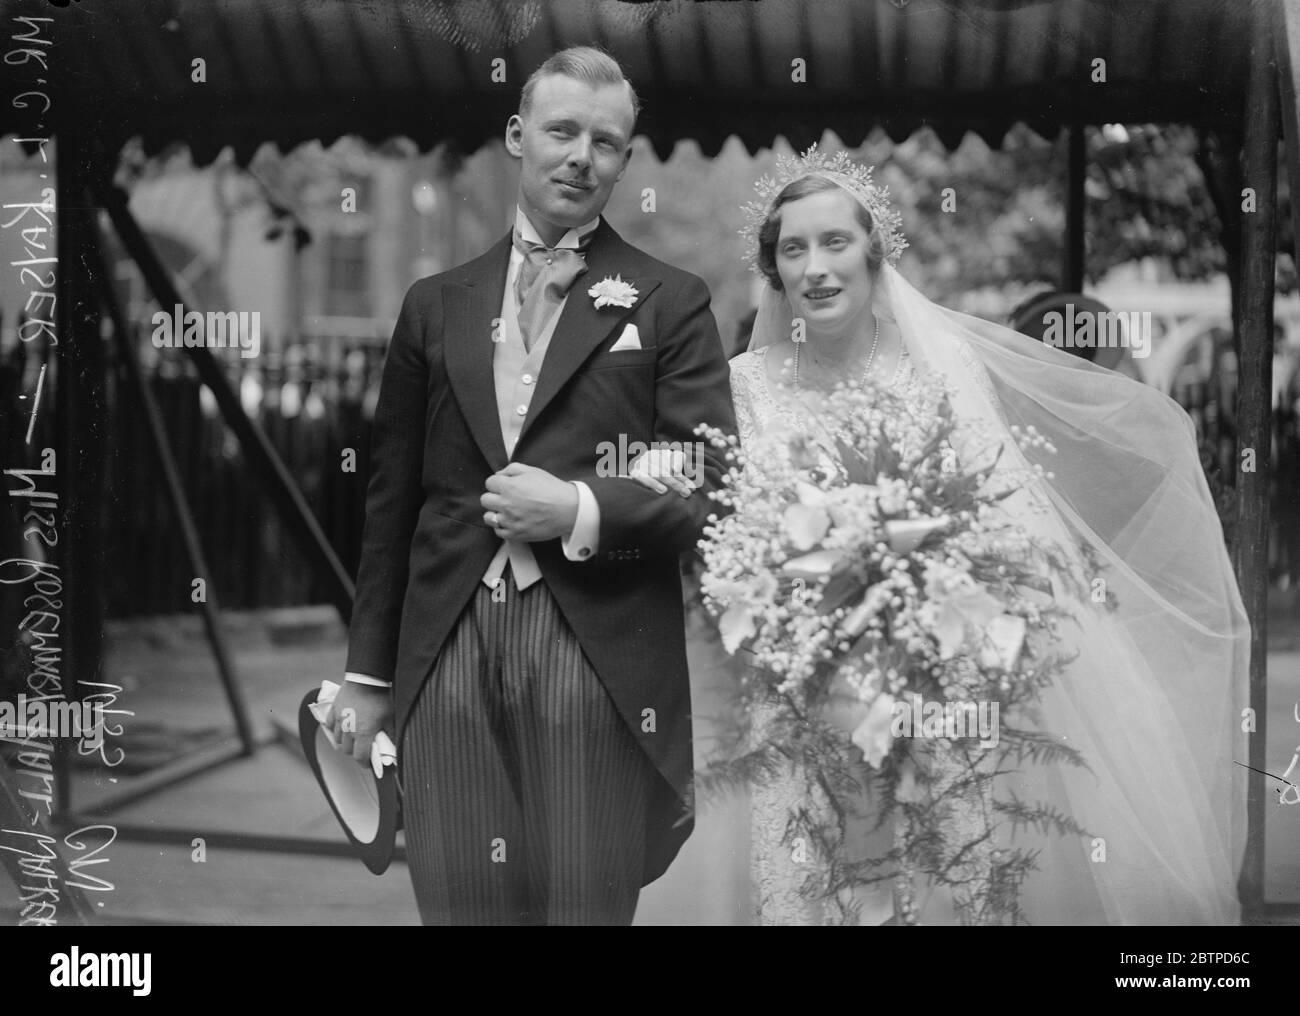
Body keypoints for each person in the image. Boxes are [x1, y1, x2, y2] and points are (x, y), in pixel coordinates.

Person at [634, 148, 1249, 925]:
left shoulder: (937, 370)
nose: (817, 268)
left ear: (873, 254)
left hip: (937, 693)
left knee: (939, 877)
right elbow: (716, 533)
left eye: (836, 243)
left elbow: (1001, 528)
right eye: (794, 249)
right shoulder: (744, 389)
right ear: (774, 270)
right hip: (790, 702)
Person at [330, 46, 736, 925]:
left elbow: (708, 478)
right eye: (561, 131)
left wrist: (579, 508)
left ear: (626, 159)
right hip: (445, 646)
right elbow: (391, 502)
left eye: (605, 140)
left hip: (591, 644)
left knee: (582, 901)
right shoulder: (434, 304)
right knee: (461, 897)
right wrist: (367, 674)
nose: (580, 156)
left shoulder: (671, 302)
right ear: (518, 135)